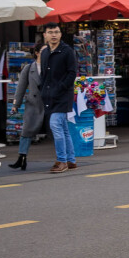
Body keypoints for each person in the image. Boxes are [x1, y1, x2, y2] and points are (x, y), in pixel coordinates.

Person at [38, 22, 78, 173]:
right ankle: (71, 160)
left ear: (61, 34)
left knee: (55, 125)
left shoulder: (67, 51)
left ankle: (61, 161)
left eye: (56, 32)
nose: (54, 35)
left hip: (63, 95)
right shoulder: (44, 52)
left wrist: (60, 88)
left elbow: (72, 73)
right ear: (45, 35)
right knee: (63, 128)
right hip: (48, 95)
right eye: (50, 32)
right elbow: (44, 75)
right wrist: (43, 90)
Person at [7, 43, 45, 171]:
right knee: (26, 132)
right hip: (33, 104)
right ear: (37, 53)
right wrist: (15, 105)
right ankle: (21, 158)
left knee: (57, 131)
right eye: (44, 51)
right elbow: (20, 88)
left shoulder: (51, 68)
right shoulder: (29, 68)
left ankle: (63, 159)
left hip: (49, 104)